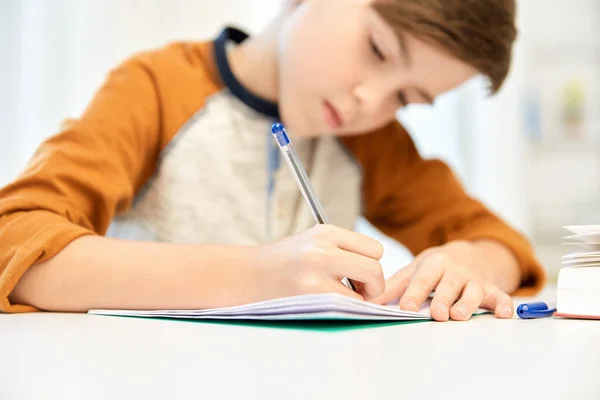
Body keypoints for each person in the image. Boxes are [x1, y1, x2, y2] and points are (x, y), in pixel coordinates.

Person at [0, 0, 545, 321]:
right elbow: (15, 239)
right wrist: (255, 275)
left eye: (406, 98)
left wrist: (473, 264)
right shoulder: (155, 90)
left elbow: (503, 246)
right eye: (378, 49)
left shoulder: (374, 142)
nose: (370, 102)